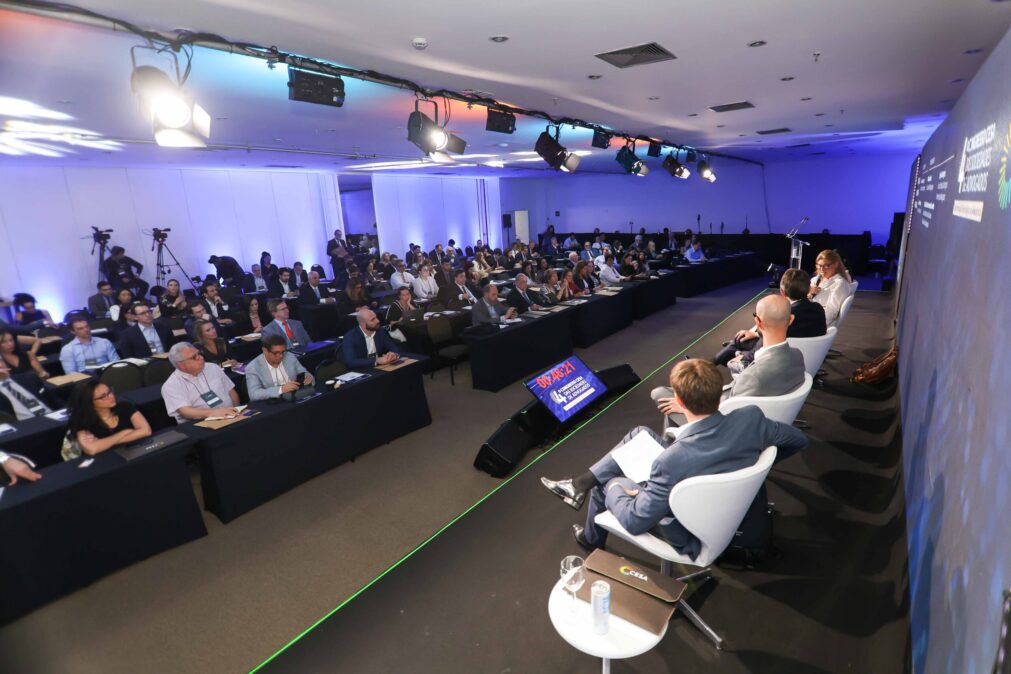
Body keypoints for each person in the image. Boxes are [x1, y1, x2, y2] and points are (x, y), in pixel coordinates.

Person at [541, 358, 809, 551]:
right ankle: (578, 486)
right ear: (719, 394)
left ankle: (591, 540)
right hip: (710, 483)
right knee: (640, 434)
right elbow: (798, 440)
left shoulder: (669, 462)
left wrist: (615, 487)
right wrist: (758, 467)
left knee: (607, 482)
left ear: (678, 401)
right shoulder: (750, 418)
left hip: (690, 525)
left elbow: (635, 521)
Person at [654, 295, 807, 427]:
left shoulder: (752, 377)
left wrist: (687, 410)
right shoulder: (798, 356)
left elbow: (724, 417)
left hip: (721, 425)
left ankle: (673, 443)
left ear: (758, 323)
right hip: (758, 416)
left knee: (660, 393)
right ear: (791, 319)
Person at [714, 269, 826, 366]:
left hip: (778, 357)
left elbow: (758, 351)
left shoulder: (783, 315)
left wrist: (740, 355)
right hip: (810, 356)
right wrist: (756, 334)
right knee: (740, 341)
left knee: (738, 340)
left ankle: (710, 366)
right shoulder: (818, 308)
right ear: (808, 289)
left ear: (782, 292)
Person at [66, 380, 152, 457]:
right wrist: (124, 433)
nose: (111, 396)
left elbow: (146, 431)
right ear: (89, 402)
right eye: (103, 397)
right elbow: (92, 449)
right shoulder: (82, 421)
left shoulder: (125, 407)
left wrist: (105, 443)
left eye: (109, 392)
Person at [161, 342, 240, 422]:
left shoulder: (213, 367)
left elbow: (231, 391)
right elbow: (185, 411)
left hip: (231, 416)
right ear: (181, 365)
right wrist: (214, 413)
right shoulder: (171, 385)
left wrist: (236, 412)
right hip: (202, 424)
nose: (201, 358)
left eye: (199, 354)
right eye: (194, 357)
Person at [244, 334, 314, 401]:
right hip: (273, 404)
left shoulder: (290, 356)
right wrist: (281, 389)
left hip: (295, 396)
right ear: (265, 350)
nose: (281, 356)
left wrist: (309, 377)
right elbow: (254, 394)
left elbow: (305, 373)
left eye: (283, 352)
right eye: (276, 353)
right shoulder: (253, 367)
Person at [808, 249, 852, 328]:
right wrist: (809, 293)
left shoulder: (840, 284)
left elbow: (830, 313)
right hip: (809, 315)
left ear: (836, 264)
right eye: (819, 265)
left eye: (826, 265)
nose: (822, 269)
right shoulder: (815, 279)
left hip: (816, 322)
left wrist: (806, 320)